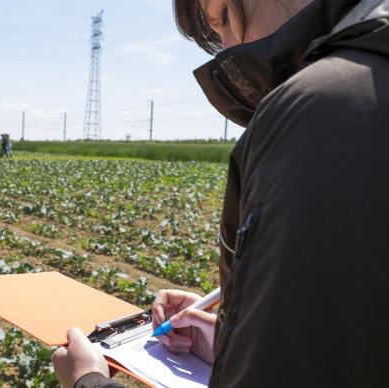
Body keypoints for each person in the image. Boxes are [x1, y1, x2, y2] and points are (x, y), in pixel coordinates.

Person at [53, 0, 389, 387]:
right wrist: (238, 344)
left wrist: (90, 380)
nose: (229, 50)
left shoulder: (322, 107)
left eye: (223, 21)